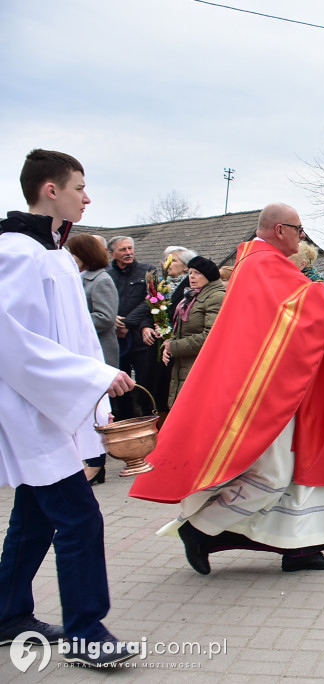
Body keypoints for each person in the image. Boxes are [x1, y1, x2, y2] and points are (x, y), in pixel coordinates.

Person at [130, 203, 324, 574]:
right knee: (271, 476)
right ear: (280, 229)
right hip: (264, 392)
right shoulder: (262, 263)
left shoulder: (264, 262)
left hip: (284, 384)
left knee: (294, 469)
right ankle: (201, 531)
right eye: (298, 229)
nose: (302, 236)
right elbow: (305, 308)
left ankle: (302, 547)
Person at [0, 149, 137, 667]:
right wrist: (93, 376)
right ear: (50, 190)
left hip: (53, 407)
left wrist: (95, 389)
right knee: (80, 519)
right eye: (79, 186)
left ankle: (8, 613)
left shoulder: (54, 253)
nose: (87, 196)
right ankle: (85, 632)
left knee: (34, 518)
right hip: (30, 411)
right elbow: (11, 342)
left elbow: (71, 335)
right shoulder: (15, 251)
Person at [65, 233, 120, 485]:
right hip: (83, 354)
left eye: (73, 252)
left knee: (97, 409)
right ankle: (93, 462)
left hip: (99, 352)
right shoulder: (79, 278)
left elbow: (106, 317)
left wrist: (70, 321)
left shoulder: (101, 279)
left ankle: (97, 464)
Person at [160, 256, 226, 408]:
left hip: (202, 366)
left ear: (208, 275)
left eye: (197, 273)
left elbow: (211, 336)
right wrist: (169, 344)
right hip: (184, 365)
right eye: (190, 272)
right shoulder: (192, 296)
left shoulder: (216, 297)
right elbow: (183, 330)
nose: (192, 277)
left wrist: (174, 347)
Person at [107, 235, 158, 418]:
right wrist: (113, 320)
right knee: (119, 386)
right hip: (114, 339)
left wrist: (128, 322)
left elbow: (151, 300)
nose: (128, 252)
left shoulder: (147, 271)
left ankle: (149, 421)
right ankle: (124, 422)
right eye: (123, 249)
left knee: (145, 383)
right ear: (112, 253)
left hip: (139, 337)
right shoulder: (105, 273)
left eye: (130, 248)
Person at [153, 246, 196, 415]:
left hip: (180, 346)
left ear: (186, 266)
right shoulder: (162, 284)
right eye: (166, 261)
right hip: (161, 343)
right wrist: (148, 327)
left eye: (174, 261)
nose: (168, 264)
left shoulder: (191, 288)